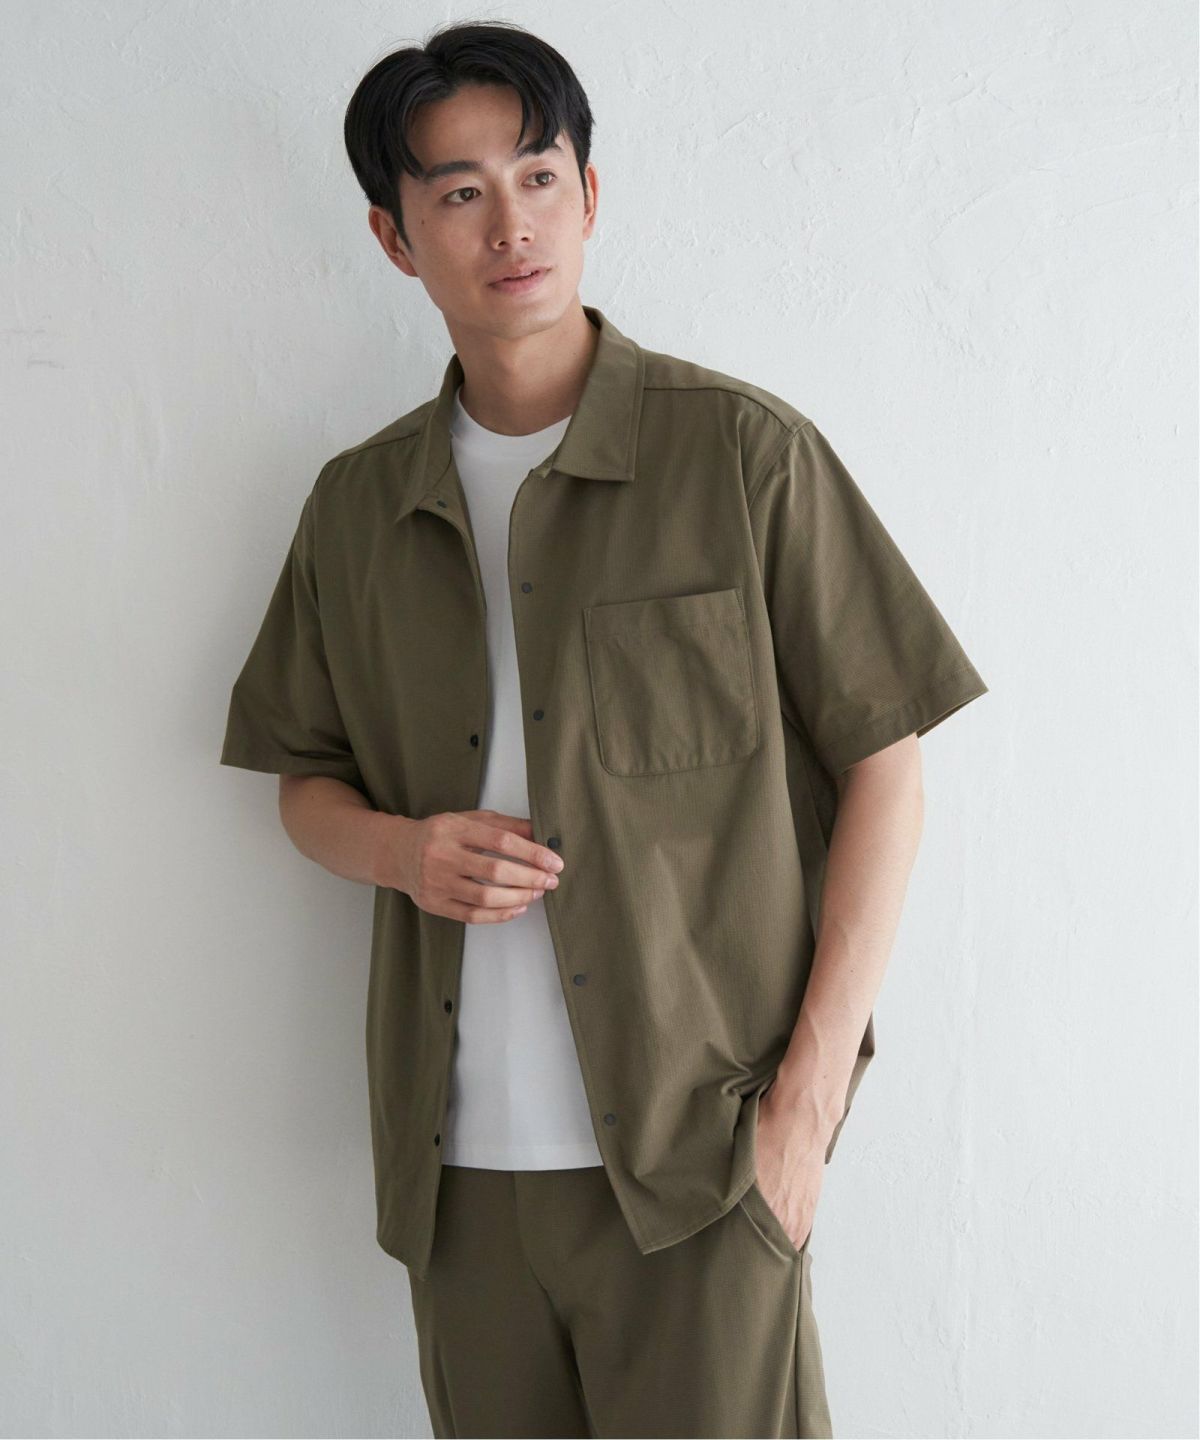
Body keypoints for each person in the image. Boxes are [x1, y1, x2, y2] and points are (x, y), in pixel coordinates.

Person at [219, 20, 988, 1439]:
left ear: (590, 194)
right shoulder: (354, 508)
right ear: (394, 237)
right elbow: (303, 781)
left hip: (701, 1171)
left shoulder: (741, 453)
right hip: (460, 1187)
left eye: (537, 177)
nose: (508, 225)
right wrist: (402, 852)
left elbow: (887, 762)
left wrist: (807, 1106)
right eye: (459, 193)